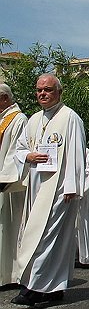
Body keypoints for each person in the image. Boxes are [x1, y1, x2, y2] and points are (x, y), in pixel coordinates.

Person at [13, 74, 87, 306]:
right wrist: (29, 156)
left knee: (49, 239)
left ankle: (48, 289)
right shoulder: (34, 119)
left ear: (59, 92)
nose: (42, 94)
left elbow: (77, 153)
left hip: (59, 188)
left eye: (47, 90)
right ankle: (34, 286)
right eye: (39, 90)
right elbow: (20, 149)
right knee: (32, 236)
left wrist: (72, 186)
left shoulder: (70, 118)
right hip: (36, 187)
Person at [0, 84, 28, 286]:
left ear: (4, 98)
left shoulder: (19, 119)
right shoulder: (3, 120)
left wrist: (4, 179)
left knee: (9, 227)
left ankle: (11, 275)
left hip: (9, 184)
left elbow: (16, 154)